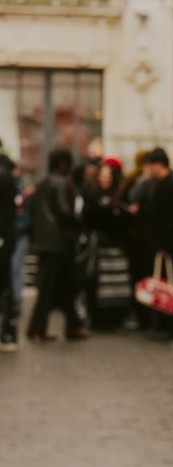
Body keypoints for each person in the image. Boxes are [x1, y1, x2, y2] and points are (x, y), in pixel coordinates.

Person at [26, 147, 87, 343]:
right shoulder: (62, 183)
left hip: (44, 242)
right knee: (60, 285)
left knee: (54, 285)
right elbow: (64, 211)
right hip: (60, 242)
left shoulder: (41, 184)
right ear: (63, 164)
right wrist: (80, 223)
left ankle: (53, 325)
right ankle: (60, 325)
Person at [82, 159, 134, 331]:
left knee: (117, 284)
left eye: (108, 175)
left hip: (116, 247)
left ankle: (115, 317)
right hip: (98, 247)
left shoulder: (121, 196)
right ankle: (97, 317)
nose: (105, 179)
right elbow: (88, 218)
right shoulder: (91, 195)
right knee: (98, 283)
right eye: (102, 175)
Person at [140, 146, 173, 339]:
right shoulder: (168, 185)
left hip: (166, 245)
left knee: (167, 284)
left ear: (158, 165)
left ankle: (171, 325)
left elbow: (168, 220)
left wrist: (164, 245)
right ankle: (166, 324)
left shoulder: (169, 187)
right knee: (167, 284)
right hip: (167, 243)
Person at [0, 151, 17, 351]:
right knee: (6, 284)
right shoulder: (7, 176)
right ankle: (8, 332)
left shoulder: (3, 177)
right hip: (5, 238)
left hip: (3, 238)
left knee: (5, 284)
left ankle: (7, 332)